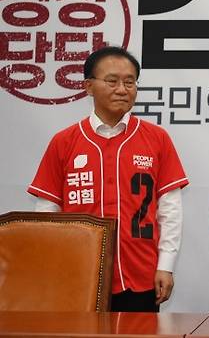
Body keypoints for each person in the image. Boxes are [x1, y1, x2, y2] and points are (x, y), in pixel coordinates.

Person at [28, 46, 189, 312]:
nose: (122, 89)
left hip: (140, 274)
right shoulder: (64, 141)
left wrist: (166, 266)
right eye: (112, 81)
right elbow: (47, 210)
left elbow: (170, 210)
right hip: (76, 273)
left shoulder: (157, 138)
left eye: (130, 82)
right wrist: (51, 264)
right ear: (88, 86)